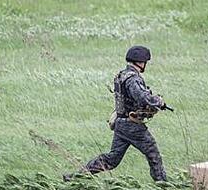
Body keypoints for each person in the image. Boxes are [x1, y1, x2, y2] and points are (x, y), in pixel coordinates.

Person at [63, 46, 168, 182]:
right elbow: (142, 97)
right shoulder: (133, 79)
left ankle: (75, 177)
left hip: (120, 123)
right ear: (140, 62)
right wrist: (158, 101)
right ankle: (163, 186)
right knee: (153, 153)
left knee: (112, 159)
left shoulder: (121, 75)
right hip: (133, 125)